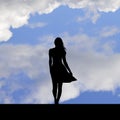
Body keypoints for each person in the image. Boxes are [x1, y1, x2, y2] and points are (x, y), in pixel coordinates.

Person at [49, 37, 76, 104]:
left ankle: (56, 100)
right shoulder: (62, 51)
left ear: (55, 43)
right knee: (59, 86)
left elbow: (50, 61)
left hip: (55, 68)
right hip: (60, 68)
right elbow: (64, 62)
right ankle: (56, 100)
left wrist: (50, 69)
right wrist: (69, 71)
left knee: (55, 85)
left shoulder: (51, 50)